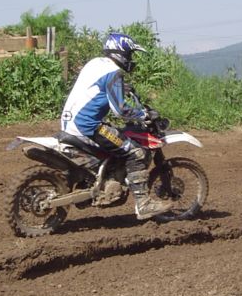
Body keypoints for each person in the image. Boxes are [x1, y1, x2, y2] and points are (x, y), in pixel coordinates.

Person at [60, 32, 172, 220]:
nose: (131, 59)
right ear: (122, 53)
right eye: (130, 54)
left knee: (115, 141)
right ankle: (144, 204)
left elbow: (96, 86)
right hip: (87, 126)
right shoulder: (114, 73)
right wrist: (143, 115)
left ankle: (101, 180)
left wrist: (122, 88)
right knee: (136, 152)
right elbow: (120, 110)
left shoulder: (96, 63)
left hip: (70, 123)